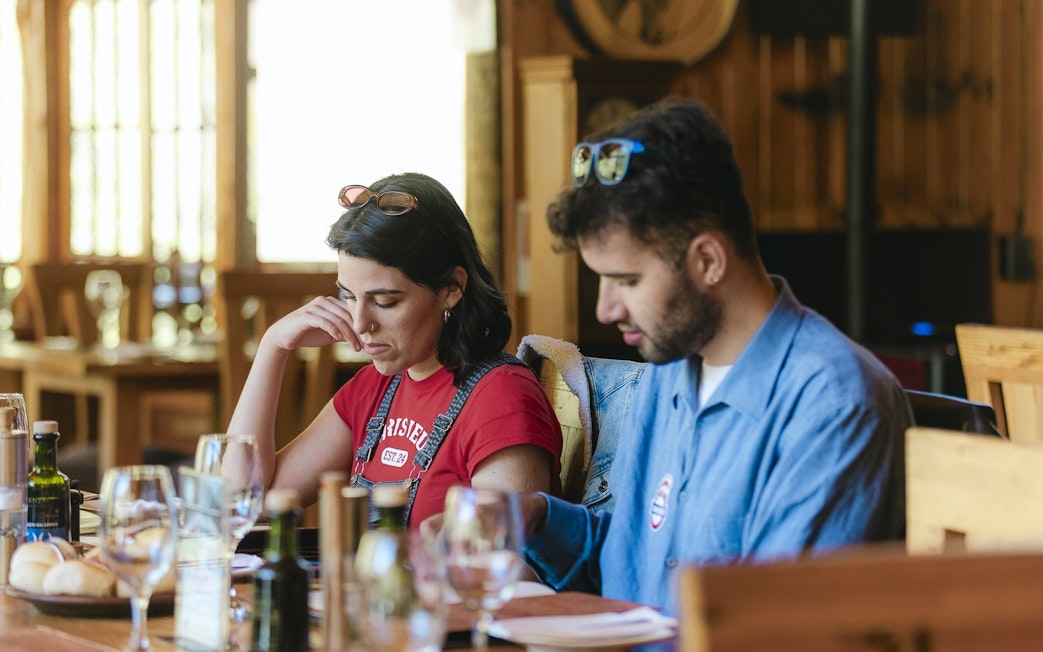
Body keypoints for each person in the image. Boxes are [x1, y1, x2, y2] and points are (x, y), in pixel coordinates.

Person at [520, 99, 911, 617]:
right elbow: (631, 572)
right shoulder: (668, 372)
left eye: (627, 280)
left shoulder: (835, 406)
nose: (605, 307)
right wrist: (534, 520)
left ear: (708, 260)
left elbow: (773, 630)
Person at [228, 172, 562, 527]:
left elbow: (490, 564)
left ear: (451, 288)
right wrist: (274, 346)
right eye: (348, 296)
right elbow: (244, 503)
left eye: (384, 301)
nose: (360, 324)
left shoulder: (501, 398)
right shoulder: (372, 388)